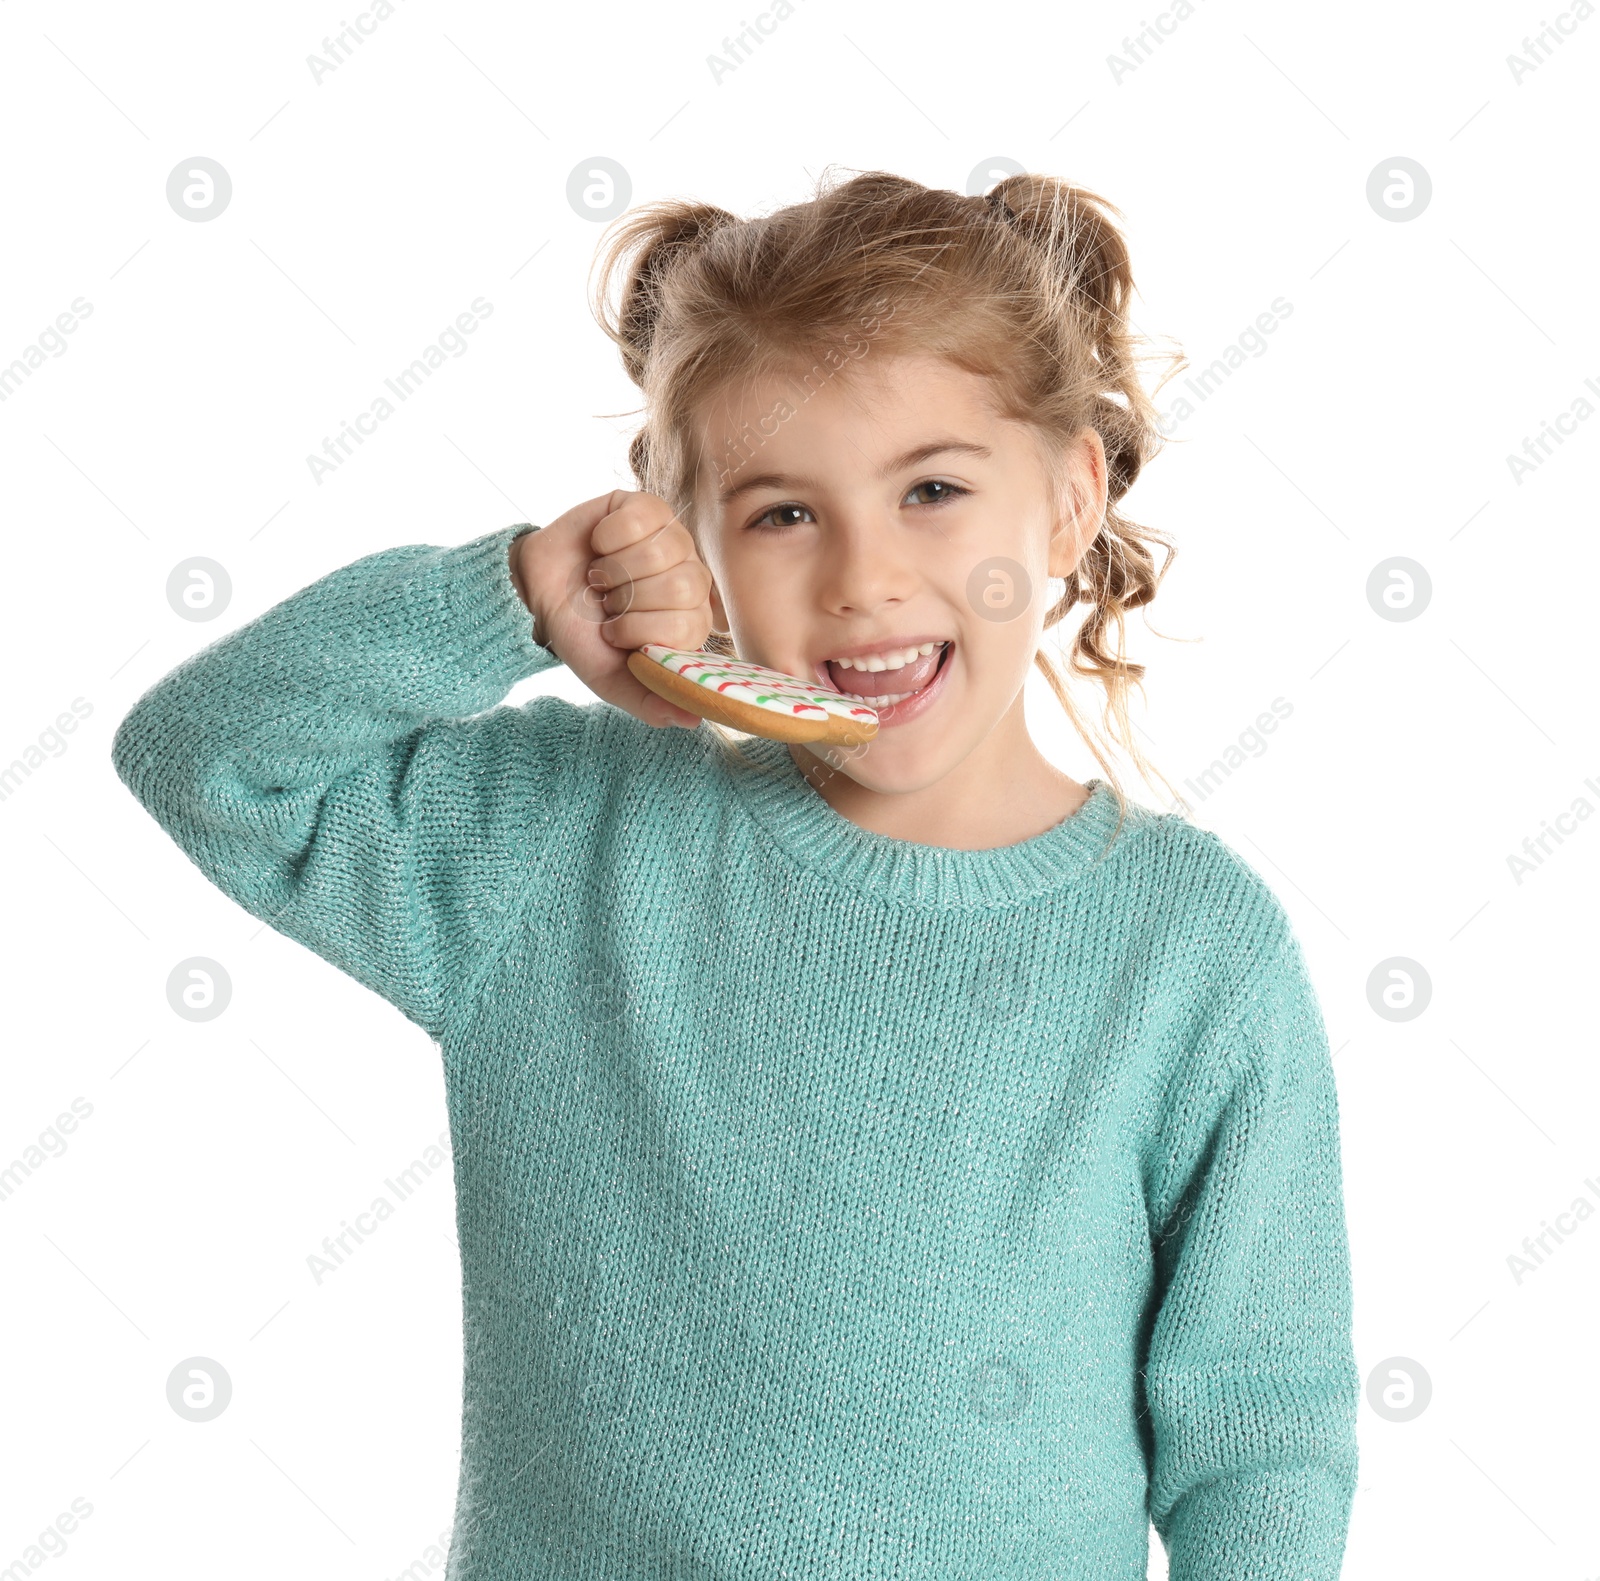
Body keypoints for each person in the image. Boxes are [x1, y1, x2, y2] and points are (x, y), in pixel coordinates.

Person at [112, 169, 1359, 1579]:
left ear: (1069, 500)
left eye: (934, 489)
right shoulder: (556, 840)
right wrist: (516, 593)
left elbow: (1258, 1435)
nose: (862, 577)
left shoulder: (1192, 944)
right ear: (680, 533)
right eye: (780, 514)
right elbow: (206, 758)